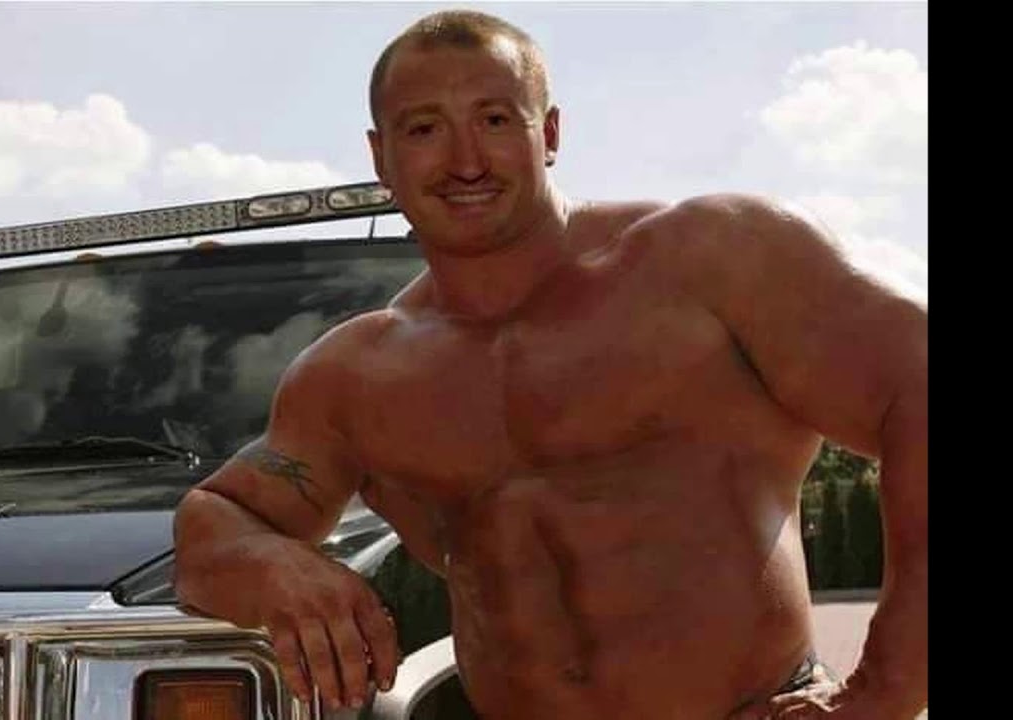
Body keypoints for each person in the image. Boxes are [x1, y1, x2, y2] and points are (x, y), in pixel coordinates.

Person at [173, 9, 927, 719]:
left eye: (495, 120)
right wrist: (276, 566)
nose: (466, 161)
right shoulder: (356, 374)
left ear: (551, 132)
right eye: (425, 128)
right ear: (381, 156)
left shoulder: (709, 259)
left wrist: (887, 689)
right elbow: (213, 523)